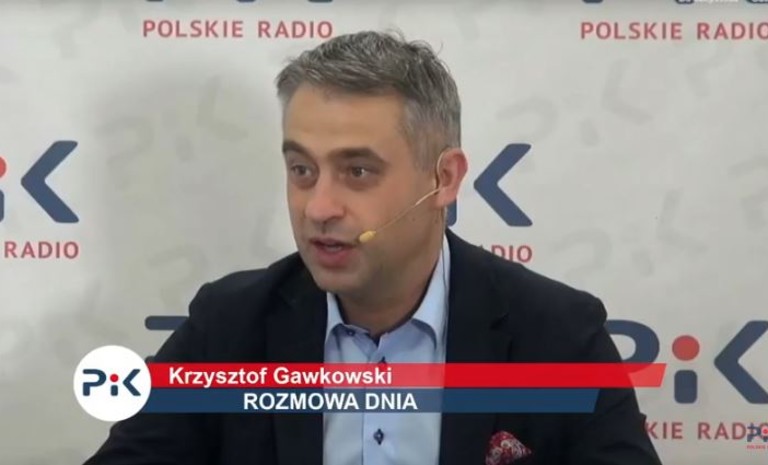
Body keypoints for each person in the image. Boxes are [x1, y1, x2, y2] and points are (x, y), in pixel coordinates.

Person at [83, 30, 662, 465]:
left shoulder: (558, 333)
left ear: (444, 179)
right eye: (302, 170)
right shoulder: (229, 326)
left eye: (357, 171)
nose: (319, 207)